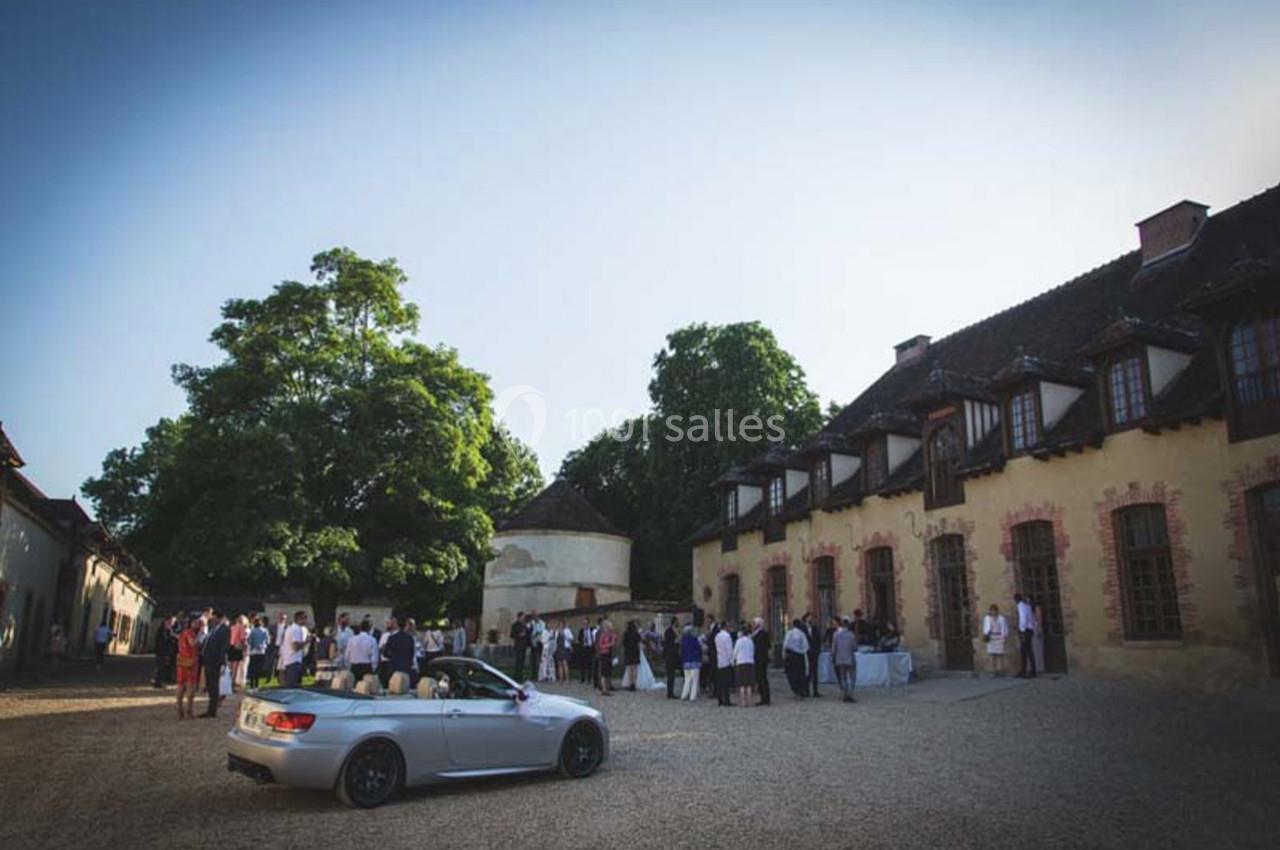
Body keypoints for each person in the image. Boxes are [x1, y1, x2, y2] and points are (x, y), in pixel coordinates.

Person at [200, 611, 230, 717]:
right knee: (210, 685)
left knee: (214, 685)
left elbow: (224, 647)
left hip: (215, 661)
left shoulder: (224, 630)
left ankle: (212, 710)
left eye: (214, 618)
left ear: (219, 618)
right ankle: (210, 709)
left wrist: (221, 662)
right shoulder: (213, 628)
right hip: (208, 660)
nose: (212, 620)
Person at [176, 617, 200, 719]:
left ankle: (179, 709)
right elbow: (192, 643)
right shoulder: (190, 633)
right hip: (190, 662)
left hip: (182, 661)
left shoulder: (183, 632)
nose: (198, 624)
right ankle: (189, 711)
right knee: (191, 687)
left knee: (181, 686)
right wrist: (200, 636)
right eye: (196, 622)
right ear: (191, 623)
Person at [382, 617, 416, 684]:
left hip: (394, 666)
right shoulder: (410, 638)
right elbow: (412, 653)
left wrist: (392, 656)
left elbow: (385, 653)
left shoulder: (392, 638)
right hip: (406, 666)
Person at [281, 610, 310, 688]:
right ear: (299, 619)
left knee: (293, 685)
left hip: (289, 660)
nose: (306, 620)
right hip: (294, 660)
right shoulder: (296, 629)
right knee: (293, 686)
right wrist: (306, 641)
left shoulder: (290, 628)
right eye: (305, 618)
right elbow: (295, 647)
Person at [832, 617, 858, 702]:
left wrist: (833, 657)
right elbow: (855, 647)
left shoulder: (836, 634)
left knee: (843, 677)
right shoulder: (851, 635)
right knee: (852, 677)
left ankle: (844, 693)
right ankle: (850, 694)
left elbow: (833, 648)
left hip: (839, 658)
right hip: (850, 658)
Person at [783, 619, 810, 698]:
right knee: (800, 674)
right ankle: (801, 690)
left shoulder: (789, 633)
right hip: (800, 656)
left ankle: (796, 690)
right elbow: (806, 646)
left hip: (791, 655)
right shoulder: (802, 634)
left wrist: (784, 656)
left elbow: (785, 644)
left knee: (791, 674)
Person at [732, 621, 755, 708]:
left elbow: (735, 652)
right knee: (748, 684)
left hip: (740, 663)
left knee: (741, 684)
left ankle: (743, 702)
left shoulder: (738, 641)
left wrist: (734, 660)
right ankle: (749, 702)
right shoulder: (750, 641)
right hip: (749, 662)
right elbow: (753, 651)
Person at [982, 604, 1009, 677]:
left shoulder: (1001, 618)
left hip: (999, 636)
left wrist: (1005, 636)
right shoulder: (987, 618)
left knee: (1000, 654)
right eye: (992, 610)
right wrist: (985, 635)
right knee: (992, 655)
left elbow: (1005, 627)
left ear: (997, 611)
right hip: (991, 637)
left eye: (994, 610)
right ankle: (994, 671)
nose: (993, 612)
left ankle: (1000, 670)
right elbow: (985, 627)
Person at [1015, 593, 1037, 678]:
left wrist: (1021, 631)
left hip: (1025, 631)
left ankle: (1031, 671)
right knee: (1025, 651)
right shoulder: (1027, 605)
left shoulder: (1021, 605)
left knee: (1027, 651)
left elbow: (1022, 618)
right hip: (1029, 630)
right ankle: (1024, 670)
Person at [750, 617, 771, 705]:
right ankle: (763, 697)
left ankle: (765, 698)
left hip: (761, 658)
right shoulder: (755, 634)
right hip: (758, 658)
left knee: (762, 678)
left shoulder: (762, 634)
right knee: (760, 678)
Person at [802, 612, 822, 697]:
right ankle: (806, 690)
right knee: (808, 672)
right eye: (809, 618)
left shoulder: (815, 628)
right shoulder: (803, 628)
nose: (811, 619)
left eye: (811, 618)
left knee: (815, 672)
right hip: (806, 652)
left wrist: (817, 649)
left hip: (814, 652)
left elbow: (818, 639)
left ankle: (815, 690)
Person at [714, 622, 734, 706]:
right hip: (726, 660)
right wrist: (732, 660)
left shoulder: (717, 636)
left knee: (720, 682)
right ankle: (727, 700)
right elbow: (729, 650)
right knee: (726, 682)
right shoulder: (727, 636)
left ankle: (720, 699)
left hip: (719, 660)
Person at [679, 624, 701, 700]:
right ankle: (692, 696)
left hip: (686, 662)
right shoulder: (694, 639)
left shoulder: (683, 640)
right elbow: (698, 648)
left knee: (687, 679)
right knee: (694, 680)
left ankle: (684, 695)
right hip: (694, 661)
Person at [246, 617, 269, 688]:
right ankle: (257, 683)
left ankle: (252, 683)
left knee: (252, 667)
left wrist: (254, 645)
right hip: (261, 651)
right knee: (258, 668)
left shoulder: (253, 631)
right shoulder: (265, 630)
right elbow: (268, 641)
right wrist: (262, 645)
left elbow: (249, 641)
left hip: (253, 651)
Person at [596, 620, 617, 696]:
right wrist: (609, 645)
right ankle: (604, 689)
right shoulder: (603, 635)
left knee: (608, 672)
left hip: (609, 654)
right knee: (604, 672)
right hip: (604, 654)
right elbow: (600, 645)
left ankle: (608, 687)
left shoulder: (610, 634)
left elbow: (614, 642)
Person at [227, 615, 247, 692]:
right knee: (235, 668)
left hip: (230, 647)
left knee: (230, 667)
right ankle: (231, 685)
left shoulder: (232, 627)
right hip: (237, 648)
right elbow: (242, 638)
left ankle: (228, 683)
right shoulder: (241, 627)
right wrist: (244, 646)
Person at [663, 618, 681, 699]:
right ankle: (670, 693)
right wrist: (675, 641)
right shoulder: (669, 631)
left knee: (672, 674)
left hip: (674, 655)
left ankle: (671, 691)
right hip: (670, 655)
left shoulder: (675, 630)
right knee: (670, 674)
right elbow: (668, 642)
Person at [622, 621, 641, 691]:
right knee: (635, 668)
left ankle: (630, 684)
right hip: (635, 652)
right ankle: (634, 684)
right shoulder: (636, 633)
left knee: (629, 668)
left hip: (628, 652)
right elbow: (640, 641)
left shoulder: (626, 633)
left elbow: (623, 643)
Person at [511, 612, 529, 683]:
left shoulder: (525, 625)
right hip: (518, 645)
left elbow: (527, 633)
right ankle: (516, 677)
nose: (524, 618)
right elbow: (512, 634)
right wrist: (519, 635)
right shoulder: (515, 625)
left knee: (522, 662)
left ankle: (520, 676)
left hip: (524, 645)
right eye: (522, 617)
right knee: (518, 662)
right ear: (519, 617)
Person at [576, 618, 595, 684]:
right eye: (584, 624)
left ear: (588, 623)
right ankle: (582, 678)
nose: (585, 625)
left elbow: (594, 638)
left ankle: (589, 678)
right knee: (583, 664)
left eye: (586, 624)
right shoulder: (581, 631)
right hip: (583, 648)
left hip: (590, 648)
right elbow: (579, 639)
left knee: (590, 664)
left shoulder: (592, 630)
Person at [529, 611, 546, 682]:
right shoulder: (531, 623)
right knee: (533, 660)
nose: (535, 617)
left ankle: (539, 675)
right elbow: (529, 631)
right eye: (533, 616)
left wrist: (534, 631)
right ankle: (533, 675)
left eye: (536, 616)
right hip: (533, 643)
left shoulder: (542, 623)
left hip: (539, 642)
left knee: (538, 659)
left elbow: (540, 631)